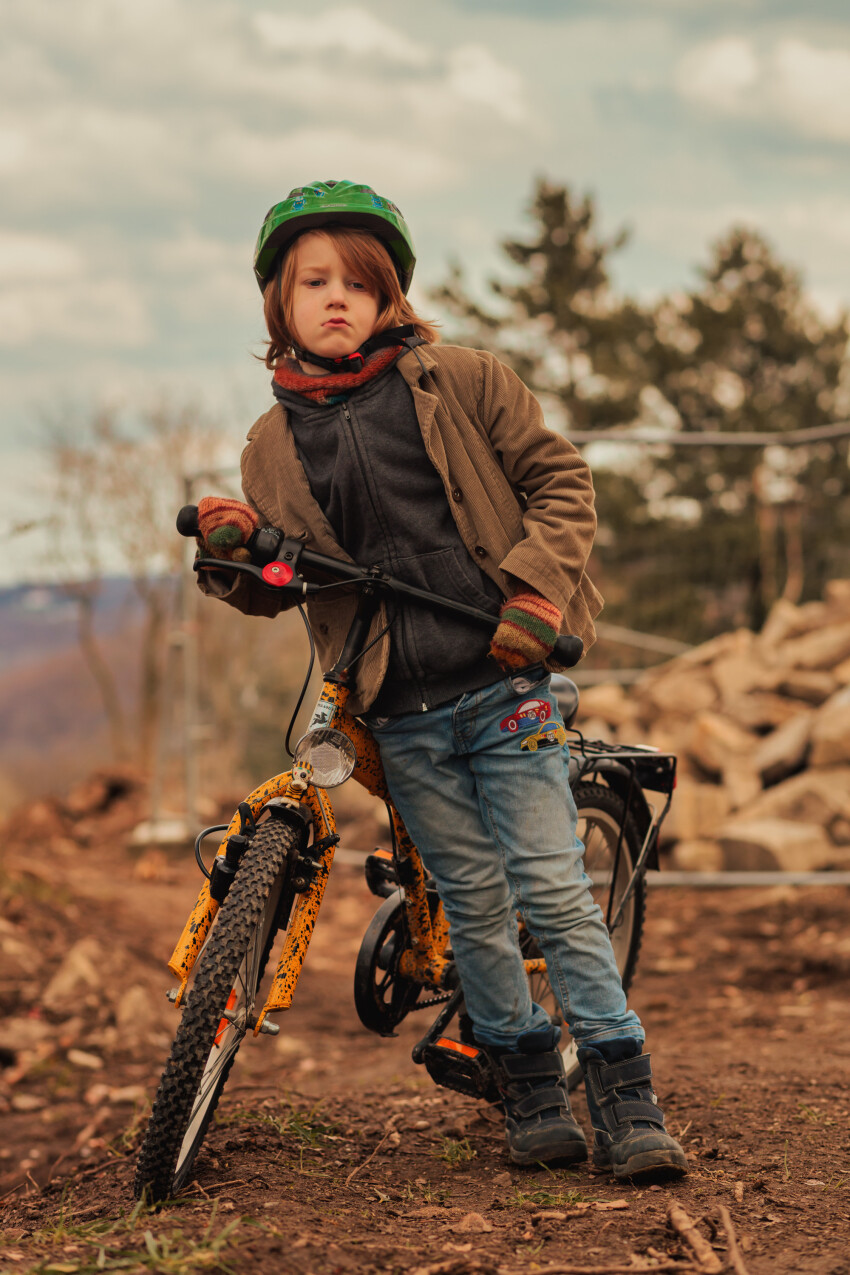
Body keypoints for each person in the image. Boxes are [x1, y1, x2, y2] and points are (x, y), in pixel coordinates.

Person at [196, 180, 688, 1181]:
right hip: (402, 716)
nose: (335, 299)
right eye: (311, 283)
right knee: (470, 908)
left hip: (504, 686)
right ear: (277, 306)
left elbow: (562, 485)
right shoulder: (270, 445)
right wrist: (237, 554)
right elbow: (285, 585)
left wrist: (535, 598)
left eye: (357, 282)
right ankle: (527, 1090)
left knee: (551, 892)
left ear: (390, 297)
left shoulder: (464, 381)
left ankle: (623, 1093)